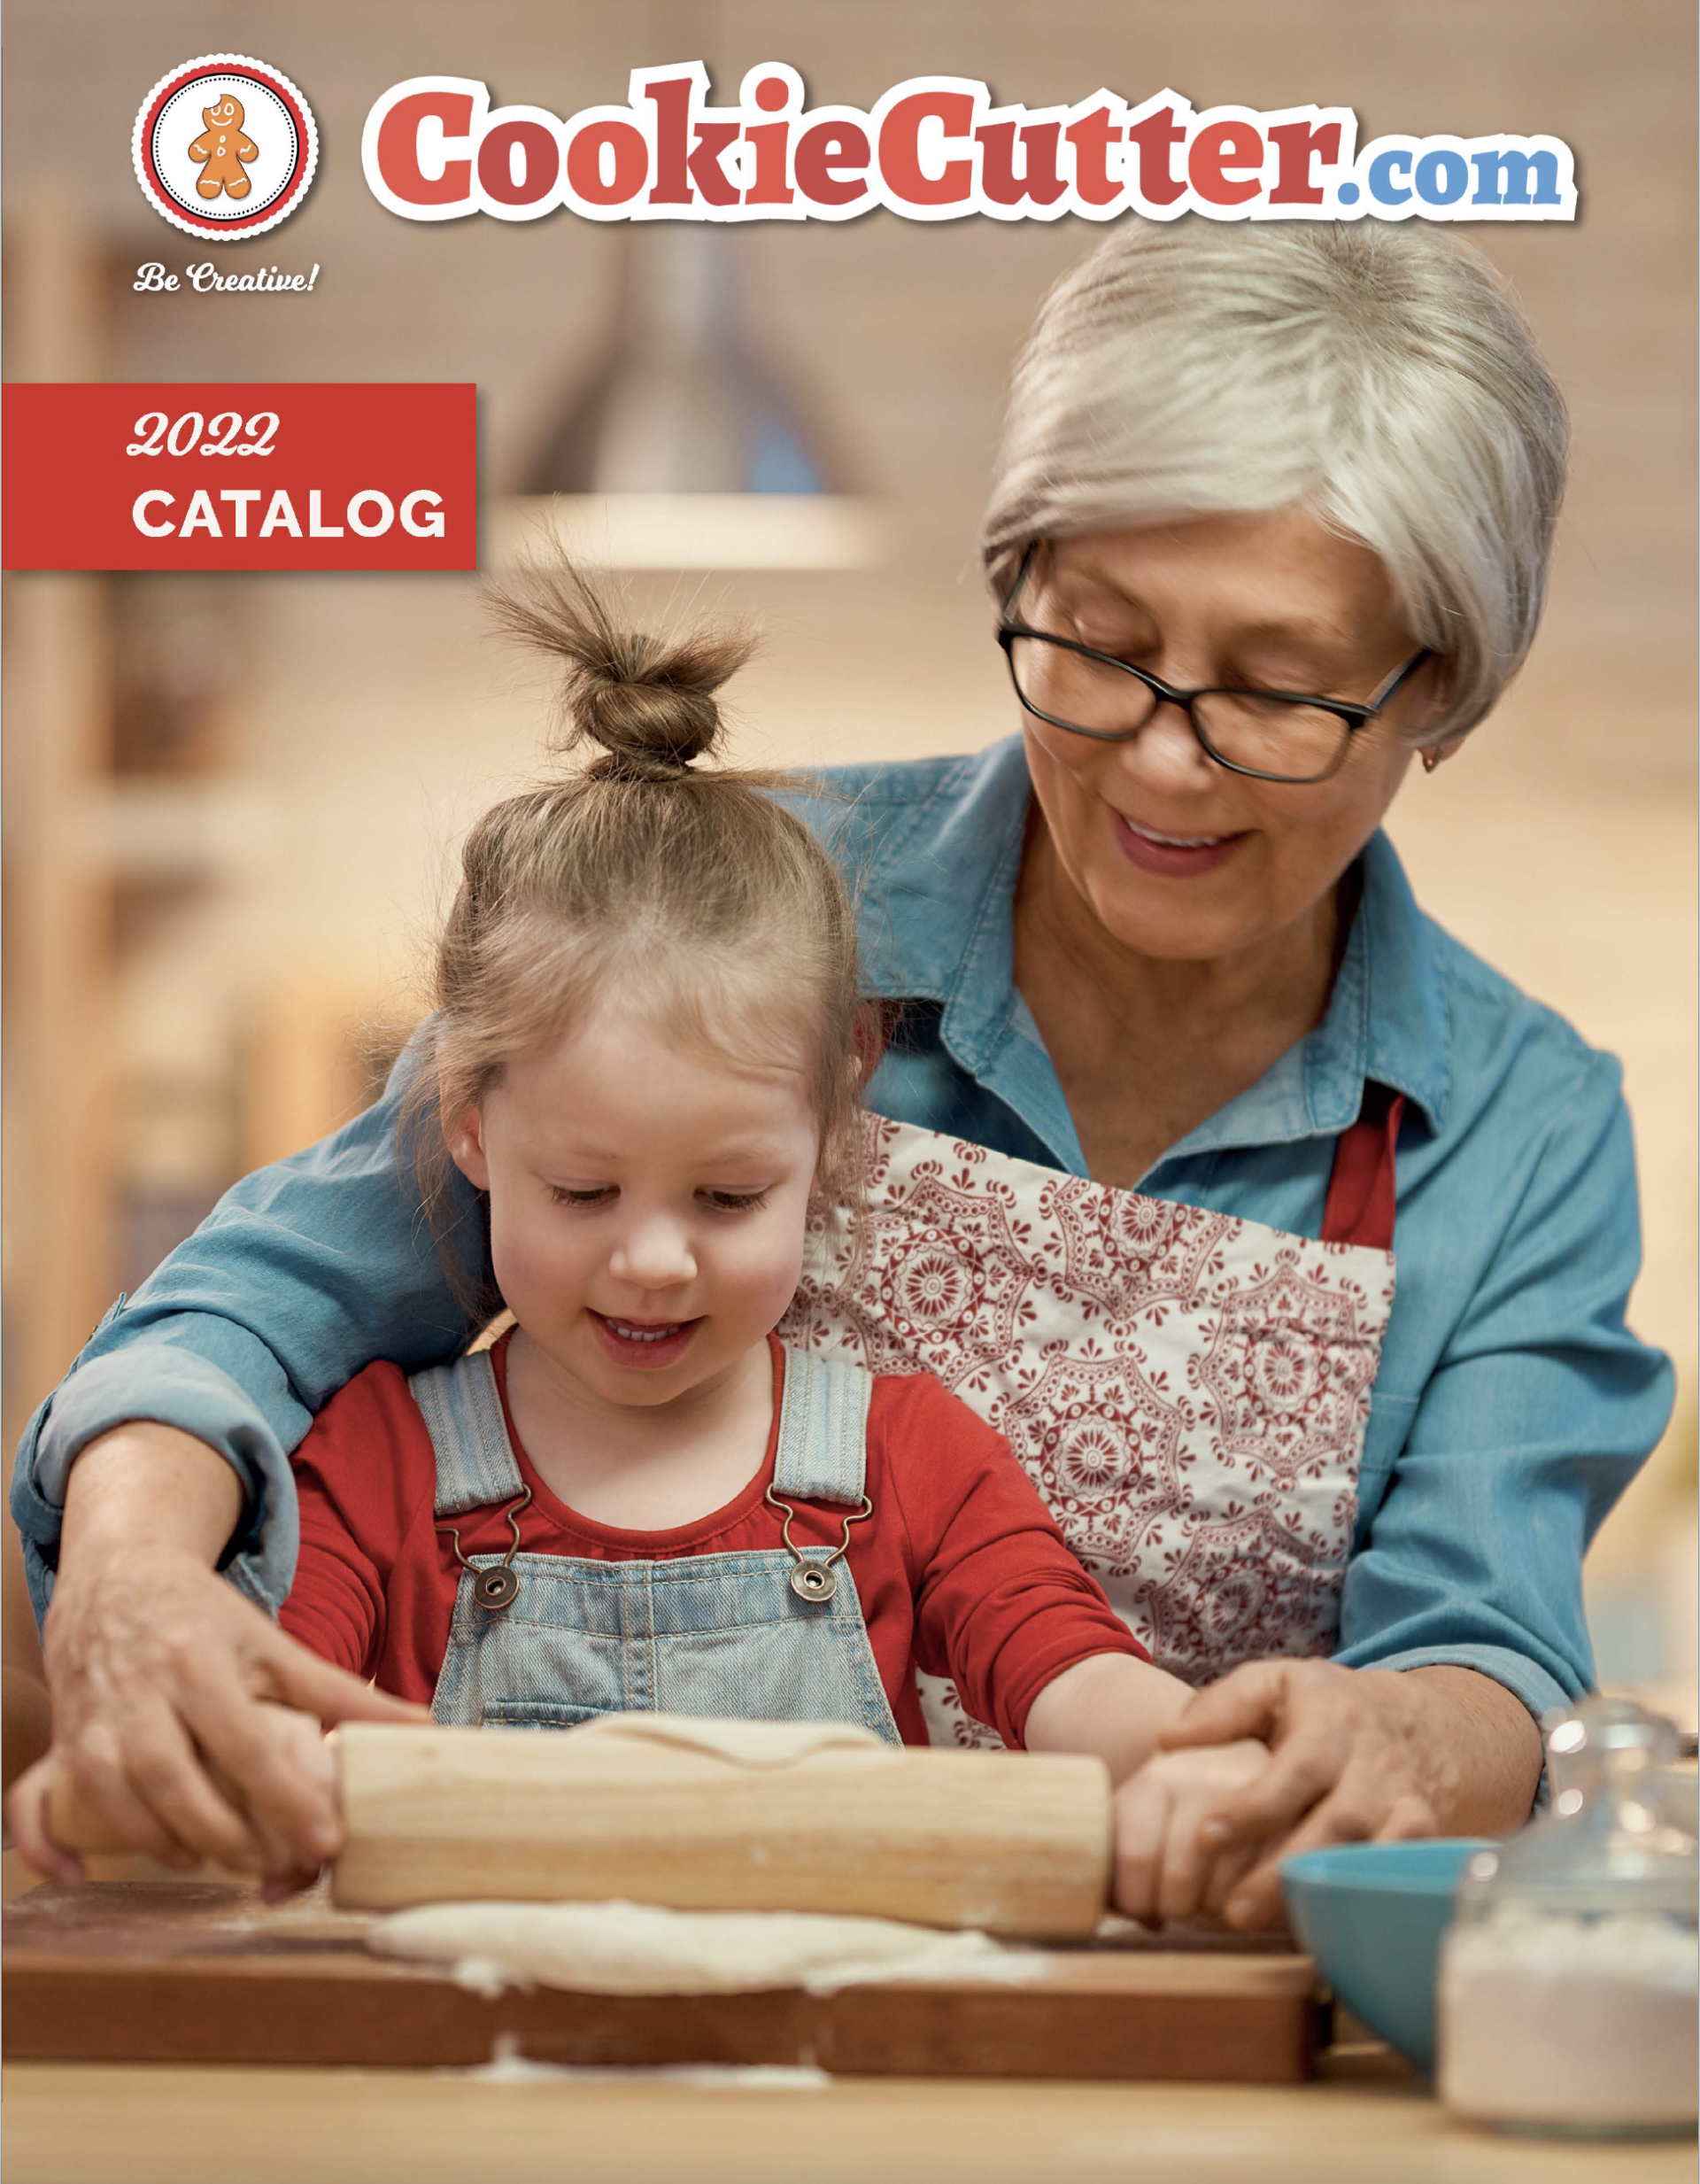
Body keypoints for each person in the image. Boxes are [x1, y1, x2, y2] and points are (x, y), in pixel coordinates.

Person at [9, 221, 1673, 1928]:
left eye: (1278, 690)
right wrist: (132, 1574)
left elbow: (1488, 1653)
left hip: (1180, 2014)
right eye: (1095, 639)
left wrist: (1399, 1735)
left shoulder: (1520, 1124)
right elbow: (249, 1312)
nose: (1168, 760)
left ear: (1441, 689)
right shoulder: (738, 912)